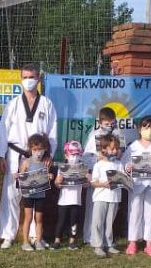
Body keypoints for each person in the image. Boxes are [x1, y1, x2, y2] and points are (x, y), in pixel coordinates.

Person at [0, 63, 57, 248]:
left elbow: (52, 132)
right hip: (15, 155)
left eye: (32, 77)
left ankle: (33, 236)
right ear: (21, 79)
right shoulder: (13, 104)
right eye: (26, 77)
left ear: (39, 79)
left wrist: (49, 154)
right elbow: (3, 131)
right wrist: (0, 155)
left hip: (38, 157)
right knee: (11, 195)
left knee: (35, 194)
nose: (29, 80)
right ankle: (8, 234)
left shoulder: (47, 104)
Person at [122, 115, 151, 256]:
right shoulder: (132, 147)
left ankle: (149, 242)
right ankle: (133, 242)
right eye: (146, 127)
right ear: (139, 129)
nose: (149, 130)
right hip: (136, 184)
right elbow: (124, 163)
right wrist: (127, 168)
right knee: (134, 211)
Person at [82, 107, 125, 244]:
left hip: (114, 174)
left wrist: (119, 155)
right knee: (93, 209)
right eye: (107, 124)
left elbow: (122, 153)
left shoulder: (119, 134)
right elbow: (87, 156)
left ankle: (107, 239)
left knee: (111, 210)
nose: (110, 126)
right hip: (98, 175)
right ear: (100, 122)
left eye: (112, 123)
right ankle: (90, 237)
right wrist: (96, 160)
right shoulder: (94, 135)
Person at [88, 133, 124, 257]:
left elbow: (123, 179)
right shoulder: (98, 165)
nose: (115, 151)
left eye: (116, 148)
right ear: (104, 149)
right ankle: (97, 245)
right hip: (100, 197)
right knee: (98, 222)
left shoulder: (119, 164)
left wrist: (123, 181)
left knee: (110, 223)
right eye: (112, 148)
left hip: (115, 198)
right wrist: (103, 184)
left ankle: (109, 244)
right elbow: (93, 183)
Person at [16, 133, 51, 251]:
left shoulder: (46, 162)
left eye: (40, 149)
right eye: (35, 149)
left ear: (44, 148)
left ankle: (38, 241)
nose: (38, 152)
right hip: (28, 194)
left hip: (41, 194)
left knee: (39, 219)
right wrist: (17, 175)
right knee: (28, 217)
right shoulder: (26, 162)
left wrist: (49, 175)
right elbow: (21, 175)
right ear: (30, 149)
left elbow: (47, 175)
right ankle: (25, 242)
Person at [52, 140, 87, 250]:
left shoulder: (82, 167)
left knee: (74, 221)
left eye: (77, 154)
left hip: (76, 200)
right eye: (72, 154)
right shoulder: (62, 167)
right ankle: (57, 240)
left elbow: (86, 184)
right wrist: (58, 181)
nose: (74, 156)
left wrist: (87, 180)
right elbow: (57, 184)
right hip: (63, 200)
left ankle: (72, 241)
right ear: (66, 154)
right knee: (61, 220)